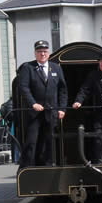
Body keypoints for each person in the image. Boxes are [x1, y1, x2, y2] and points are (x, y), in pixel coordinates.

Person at [17, 40, 68, 168]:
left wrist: (62, 108)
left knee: (49, 141)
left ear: (49, 53)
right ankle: (28, 168)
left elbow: (63, 89)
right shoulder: (28, 68)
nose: (42, 54)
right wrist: (33, 103)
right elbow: (23, 88)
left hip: (51, 112)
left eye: (45, 51)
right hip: (35, 113)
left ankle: (48, 166)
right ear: (35, 53)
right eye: (39, 52)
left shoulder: (56, 68)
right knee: (31, 142)